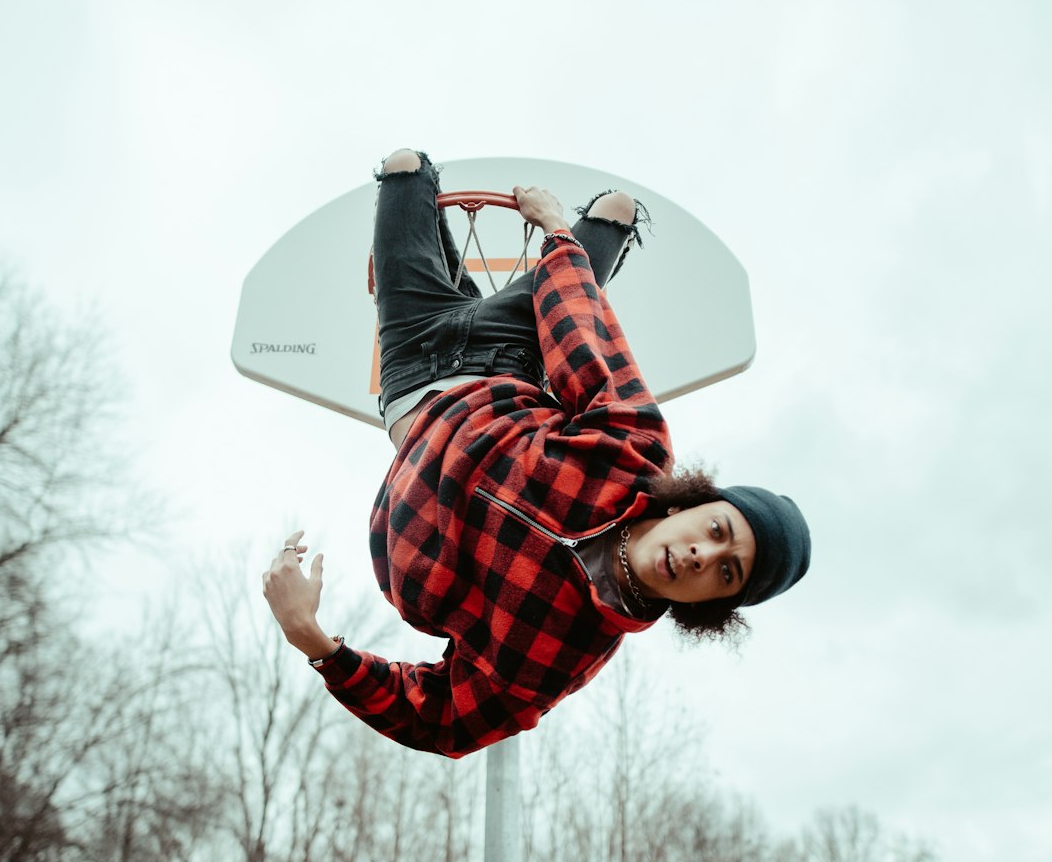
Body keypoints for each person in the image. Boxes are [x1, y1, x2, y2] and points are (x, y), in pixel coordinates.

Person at [262, 149, 810, 758]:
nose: (700, 554)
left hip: (412, 369)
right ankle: (596, 234)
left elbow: (444, 721)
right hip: (507, 353)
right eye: (716, 529)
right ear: (695, 504)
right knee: (594, 239)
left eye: (726, 571)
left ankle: (591, 234)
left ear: (713, 607)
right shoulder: (636, 451)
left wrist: (313, 640)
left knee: (404, 169)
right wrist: (553, 232)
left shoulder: (566, 653)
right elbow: (582, 339)